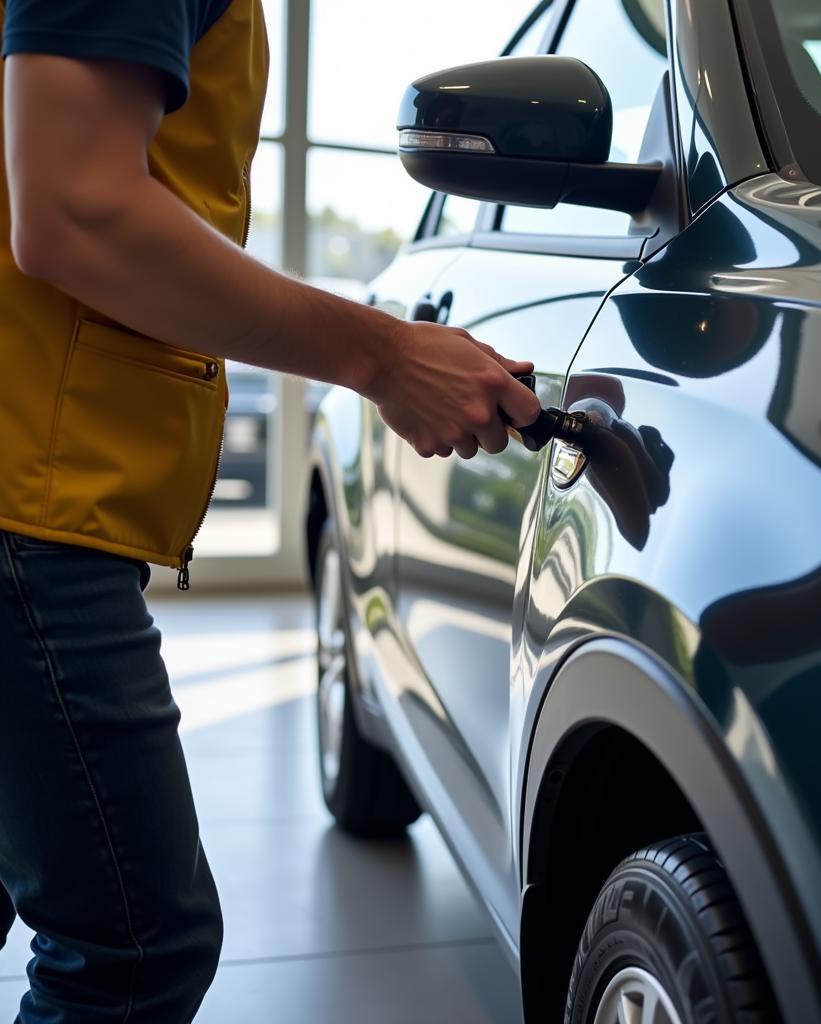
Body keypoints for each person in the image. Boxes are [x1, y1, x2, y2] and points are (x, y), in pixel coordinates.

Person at [0, 2, 540, 1021]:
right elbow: (76, 207)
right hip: (26, 496)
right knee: (134, 947)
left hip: (34, 477)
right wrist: (381, 353)